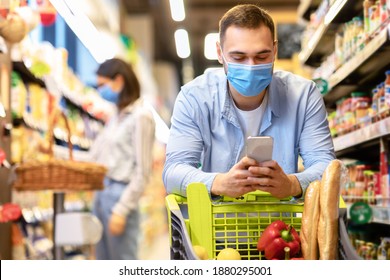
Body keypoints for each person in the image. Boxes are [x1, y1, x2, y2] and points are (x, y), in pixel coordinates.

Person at [162, 4, 335, 200]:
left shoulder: (303, 96)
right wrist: (219, 183)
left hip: (281, 226)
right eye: (239, 57)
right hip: (216, 224)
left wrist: (292, 184)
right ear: (220, 53)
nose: (251, 67)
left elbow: (327, 167)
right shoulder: (194, 98)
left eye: (262, 56)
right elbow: (173, 172)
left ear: (275, 50)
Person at [89, 58, 155, 260]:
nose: (99, 90)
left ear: (118, 81)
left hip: (120, 196)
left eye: (102, 85)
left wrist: (122, 209)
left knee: (123, 262)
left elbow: (143, 172)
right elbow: (95, 156)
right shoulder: (115, 117)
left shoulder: (141, 116)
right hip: (101, 194)